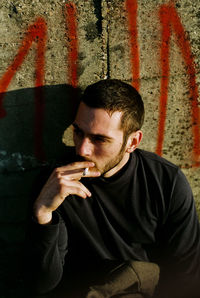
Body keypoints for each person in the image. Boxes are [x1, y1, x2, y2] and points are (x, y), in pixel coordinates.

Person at [27, 79, 200, 298]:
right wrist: (43, 214)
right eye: (78, 132)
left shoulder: (166, 181)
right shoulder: (56, 185)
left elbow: (186, 276)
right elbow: (43, 285)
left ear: (132, 142)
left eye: (100, 139)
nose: (82, 149)